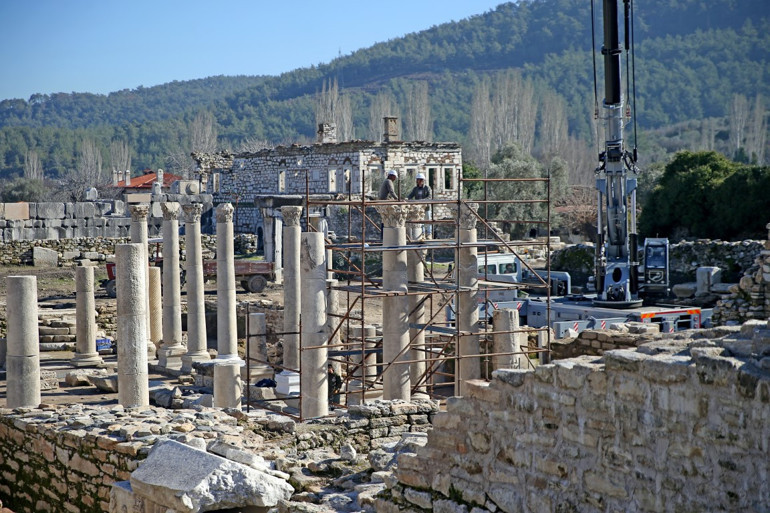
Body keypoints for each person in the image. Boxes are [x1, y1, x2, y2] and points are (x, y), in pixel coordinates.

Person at [407, 172, 432, 238]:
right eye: (418, 180)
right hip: (419, 208)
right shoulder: (415, 189)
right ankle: (422, 234)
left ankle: (429, 234)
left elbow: (430, 197)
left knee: (428, 220)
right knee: (421, 221)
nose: (420, 181)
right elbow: (411, 195)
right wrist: (407, 199)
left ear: (423, 180)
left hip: (426, 207)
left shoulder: (427, 188)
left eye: (421, 180)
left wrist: (422, 201)